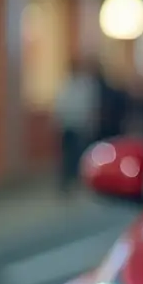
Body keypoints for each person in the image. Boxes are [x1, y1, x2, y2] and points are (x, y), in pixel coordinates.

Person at [55, 59, 98, 193]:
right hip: (68, 125)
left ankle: (77, 181)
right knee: (67, 156)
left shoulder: (84, 85)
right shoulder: (67, 84)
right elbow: (61, 105)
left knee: (78, 156)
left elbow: (89, 106)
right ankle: (66, 182)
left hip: (79, 126)